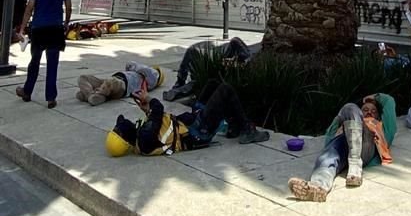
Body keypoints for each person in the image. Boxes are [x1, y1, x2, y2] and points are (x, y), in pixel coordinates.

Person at [105, 80, 269, 156]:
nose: (124, 122)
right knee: (225, 89)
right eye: (121, 128)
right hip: (197, 132)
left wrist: (147, 110)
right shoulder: (144, 139)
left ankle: (235, 126)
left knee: (211, 84)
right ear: (125, 138)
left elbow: (159, 126)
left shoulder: (141, 137)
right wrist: (149, 100)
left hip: (189, 123)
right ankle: (247, 130)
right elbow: (159, 109)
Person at [288, 93, 396, 202]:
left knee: (350, 108)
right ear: (360, 114)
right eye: (365, 110)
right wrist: (344, 118)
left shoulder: (382, 127)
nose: (369, 112)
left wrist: (374, 97)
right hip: (346, 144)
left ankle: (355, 166)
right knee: (328, 155)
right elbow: (329, 138)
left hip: (366, 147)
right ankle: (318, 187)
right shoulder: (347, 126)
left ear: (378, 116)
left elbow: (389, 101)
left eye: (374, 111)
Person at [16, 0, 71, 109]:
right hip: (55, 28)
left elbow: (29, 7)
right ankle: (51, 98)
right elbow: (68, 6)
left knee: (34, 61)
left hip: (39, 28)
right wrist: (66, 24)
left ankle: (27, 91)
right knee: (52, 63)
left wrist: (22, 28)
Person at [163, 36, 255, 101]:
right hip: (220, 67)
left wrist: (235, 65)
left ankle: (177, 90)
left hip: (220, 78)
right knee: (191, 51)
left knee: (200, 83)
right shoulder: (247, 54)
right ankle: (179, 82)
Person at [76, 62, 164, 105]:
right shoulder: (149, 79)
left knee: (112, 83)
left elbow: (131, 64)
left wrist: (133, 68)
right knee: (83, 78)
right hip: (116, 83)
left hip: (121, 85)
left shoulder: (153, 74)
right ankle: (93, 95)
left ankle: (94, 92)